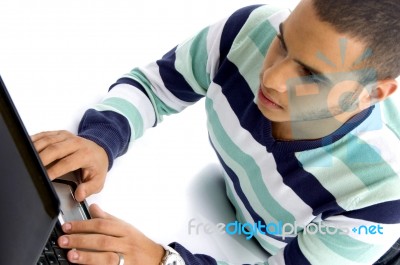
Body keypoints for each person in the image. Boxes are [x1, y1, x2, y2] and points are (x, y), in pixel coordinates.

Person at [32, 0, 400, 264]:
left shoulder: (382, 198)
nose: (270, 79)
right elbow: (154, 87)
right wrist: (100, 141)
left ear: (373, 94)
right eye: (283, 42)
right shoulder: (252, 29)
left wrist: (165, 260)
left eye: (311, 76)